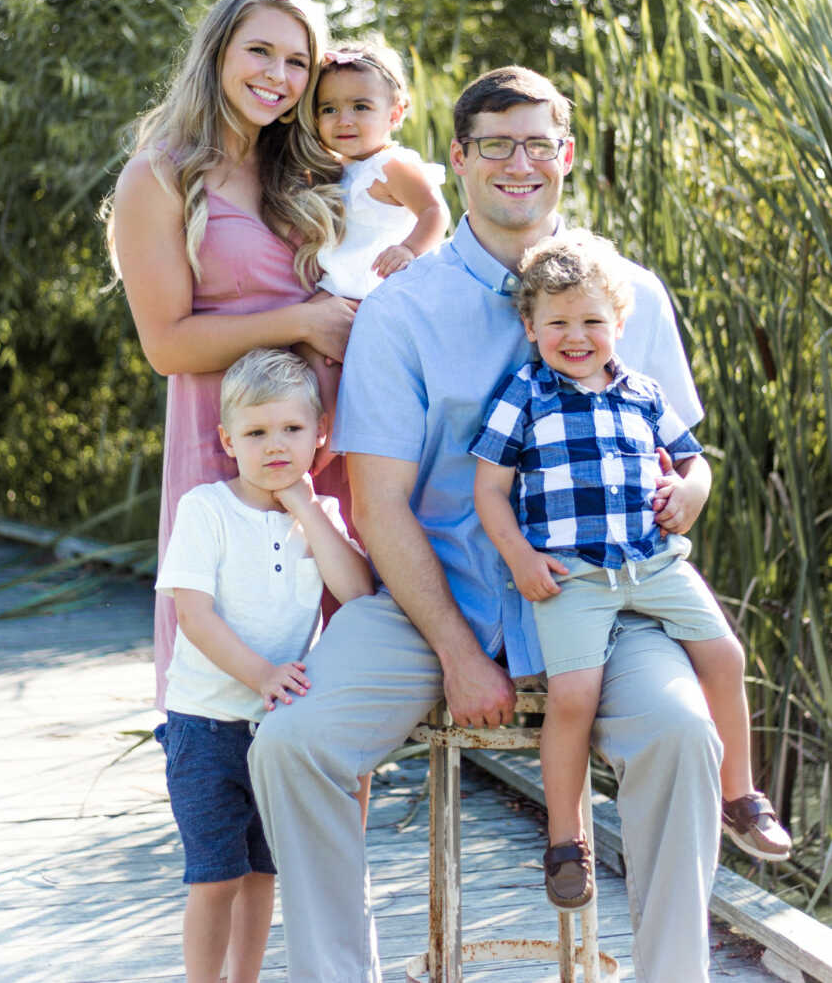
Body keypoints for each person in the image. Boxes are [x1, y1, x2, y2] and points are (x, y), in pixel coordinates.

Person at [250, 66, 725, 983]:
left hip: (608, 602)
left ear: (567, 157)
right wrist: (461, 653)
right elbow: (380, 504)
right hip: (439, 600)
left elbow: (679, 460)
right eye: (496, 145)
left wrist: (687, 497)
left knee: (681, 735)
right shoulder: (402, 311)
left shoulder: (635, 294)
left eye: (539, 143)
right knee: (293, 745)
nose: (520, 163)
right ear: (458, 159)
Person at [471, 230, 791, 910]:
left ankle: (740, 795)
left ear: (619, 322)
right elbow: (488, 491)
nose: (576, 336)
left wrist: (691, 493)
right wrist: (520, 558)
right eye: (557, 323)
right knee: (574, 698)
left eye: (592, 321)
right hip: (575, 578)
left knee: (726, 656)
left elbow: (693, 459)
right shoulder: (524, 395)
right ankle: (566, 843)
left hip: (653, 563)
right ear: (530, 326)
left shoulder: (642, 392)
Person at [111, 0, 356, 708]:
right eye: (260, 51)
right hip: (231, 445)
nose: (277, 77)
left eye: (297, 63)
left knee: (338, 692)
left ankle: (330, 831)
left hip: (332, 443)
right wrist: (302, 321)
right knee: (229, 685)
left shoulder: (312, 173)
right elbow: (167, 347)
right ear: (218, 53)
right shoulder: (157, 178)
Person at [155, 348, 372, 983]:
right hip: (207, 726)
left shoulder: (322, 518)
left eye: (291, 430)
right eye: (255, 433)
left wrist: (305, 508)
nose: (274, 446)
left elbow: (357, 592)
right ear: (228, 440)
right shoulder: (206, 510)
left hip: (278, 733)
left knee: (261, 873)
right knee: (215, 876)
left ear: (320, 436)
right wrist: (258, 674)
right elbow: (194, 616)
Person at [313, 38, 450, 299]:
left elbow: (434, 210)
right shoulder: (338, 166)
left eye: (360, 107)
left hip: (379, 286)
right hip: (340, 285)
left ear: (395, 114)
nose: (344, 120)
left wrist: (409, 249)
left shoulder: (390, 165)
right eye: (329, 109)